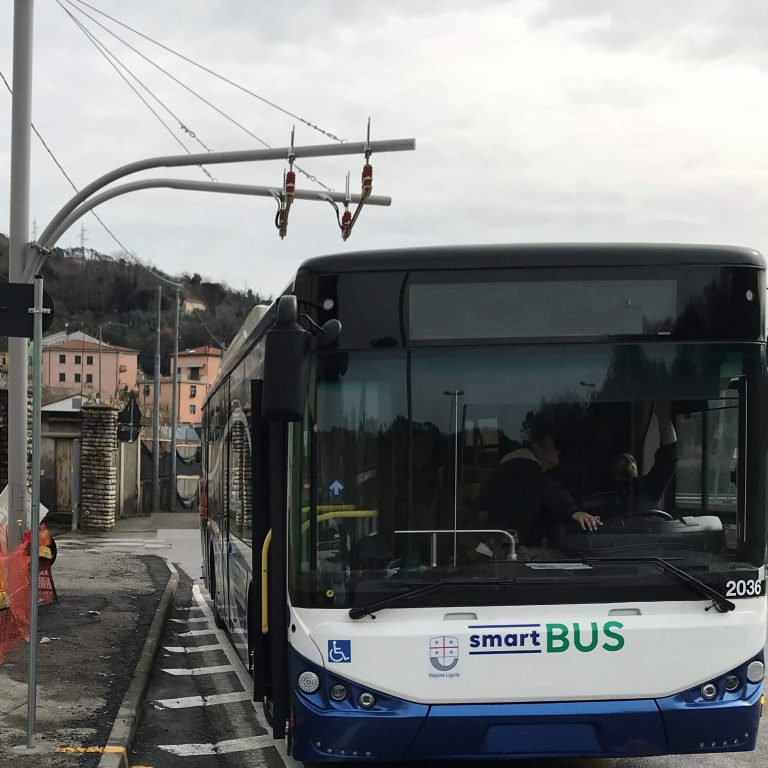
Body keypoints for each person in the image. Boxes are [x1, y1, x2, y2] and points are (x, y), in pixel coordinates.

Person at [475, 431, 601, 547]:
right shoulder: (525, 467)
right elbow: (547, 487)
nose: (558, 451)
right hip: (505, 537)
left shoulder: (511, 466)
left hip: (501, 534)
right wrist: (574, 512)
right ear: (537, 448)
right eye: (553, 447)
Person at [586, 402, 678, 518]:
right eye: (623, 459)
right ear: (608, 469)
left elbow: (669, 455)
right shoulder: (597, 494)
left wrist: (662, 416)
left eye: (633, 460)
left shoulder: (648, 486)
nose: (630, 461)